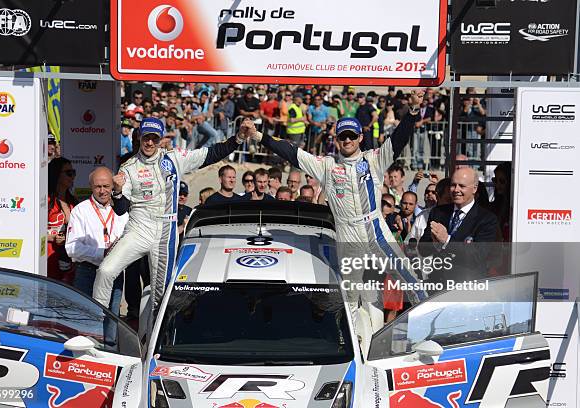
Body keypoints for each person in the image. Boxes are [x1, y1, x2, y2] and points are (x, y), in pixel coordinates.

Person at [247, 90, 425, 327]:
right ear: (337, 139)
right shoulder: (327, 166)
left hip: (374, 227)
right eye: (343, 136)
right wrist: (258, 135)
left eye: (352, 135)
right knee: (350, 296)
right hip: (347, 234)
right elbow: (290, 151)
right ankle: (352, 342)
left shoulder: (374, 159)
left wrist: (412, 111)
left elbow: (399, 139)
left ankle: (433, 328)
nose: (348, 140)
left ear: (361, 137)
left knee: (408, 277)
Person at [93, 117, 251, 309]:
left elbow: (211, 154)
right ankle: (96, 325)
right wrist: (117, 192)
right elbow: (119, 211)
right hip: (139, 228)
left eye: (154, 138)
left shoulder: (174, 157)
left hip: (166, 230)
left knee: (160, 297)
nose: (150, 143)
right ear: (139, 138)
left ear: (160, 139)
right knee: (105, 270)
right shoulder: (128, 167)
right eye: (146, 138)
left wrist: (239, 138)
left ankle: (154, 337)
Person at [66, 167, 127, 316]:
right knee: (85, 320)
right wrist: (102, 252)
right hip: (87, 272)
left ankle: (109, 341)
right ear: (91, 187)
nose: (102, 191)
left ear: (113, 186)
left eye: (106, 186)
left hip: (114, 273)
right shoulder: (80, 210)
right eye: (97, 187)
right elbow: (72, 248)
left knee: (111, 320)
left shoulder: (122, 211)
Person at [419, 168, 498, 283]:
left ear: (474, 188)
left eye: (462, 186)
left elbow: (477, 255)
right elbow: (423, 249)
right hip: (437, 286)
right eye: (453, 185)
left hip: (467, 288)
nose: (456, 190)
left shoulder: (487, 219)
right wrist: (435, 242)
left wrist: (447, 241)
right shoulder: (438, 212)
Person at [47, 158, 78, 284]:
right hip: (49, 260)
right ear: (57, 175)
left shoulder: (73, 201)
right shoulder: (46, 201)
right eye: (68, 173)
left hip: (69, 260)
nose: (72, 176)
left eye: (73, 172)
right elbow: (32, 231)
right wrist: (52, 237)